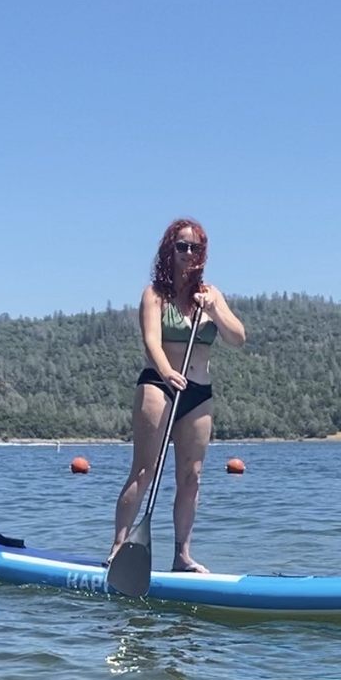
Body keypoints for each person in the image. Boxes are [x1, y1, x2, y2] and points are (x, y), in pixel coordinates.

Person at [108, 218, 246, 573]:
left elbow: (237, 337)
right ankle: (119, 547)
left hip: (198, 393)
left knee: (191, 476)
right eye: (181, 246)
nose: (188, 253)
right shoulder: (155, 294)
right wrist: (167, 371)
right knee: (144, 470)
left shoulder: (211, 295)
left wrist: (214, 309)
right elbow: (151, 341)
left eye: (195, 247)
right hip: (160, 384)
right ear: (169, 251)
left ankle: (181, 556)